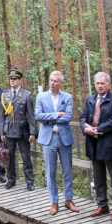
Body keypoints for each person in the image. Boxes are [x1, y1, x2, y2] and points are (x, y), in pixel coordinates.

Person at [79, 72, 112, 221]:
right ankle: (102, 205)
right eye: (97, 83)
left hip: (110, 143)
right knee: (98, 176)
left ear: (109, 85)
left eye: (102, 83)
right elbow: (83, 117)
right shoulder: (90, 100)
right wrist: (84, 127)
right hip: (93, 143)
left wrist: (97, 129)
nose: (99, 86)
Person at [36, 70, 79, 215]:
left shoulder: (67, 97)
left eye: (56, 81)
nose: (53, 83)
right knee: (51, 171)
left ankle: (69, 199)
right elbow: (38, 115)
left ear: (60, 82)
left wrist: (48, 119)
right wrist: (56, 114)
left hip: (64, 137)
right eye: (51, 80)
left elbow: (67, 117)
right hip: (48, 139)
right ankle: (54, 202)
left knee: (67, 170)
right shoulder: (41, 97)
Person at [0, 68, 36, 191]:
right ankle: (11, 179)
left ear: (20, 80)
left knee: (26, 158)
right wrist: (2, 132)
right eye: (11, 79)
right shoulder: (5, 95)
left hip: (22, 131)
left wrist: (32, 132)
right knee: (9, 157)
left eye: (15, 79)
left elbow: (30, 115)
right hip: (8, 131)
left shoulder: (26, 95)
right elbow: (2, 116)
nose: (12, 81)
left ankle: (29, 182)